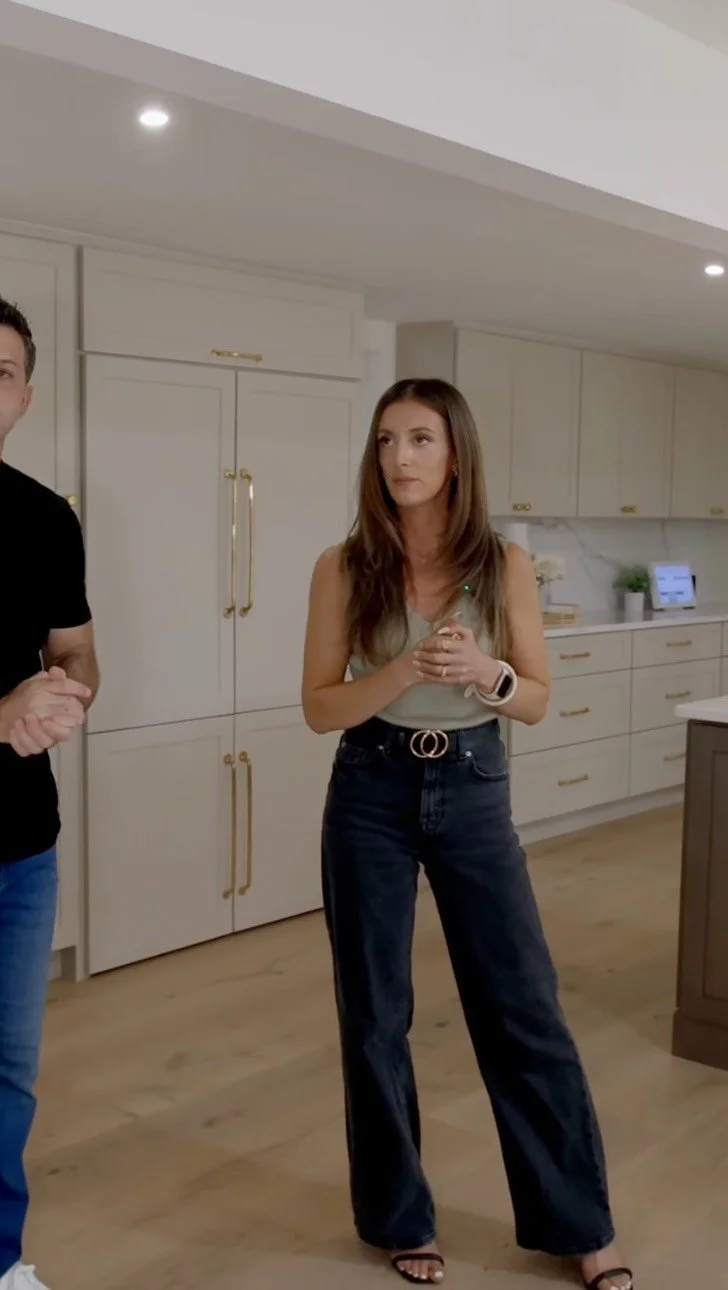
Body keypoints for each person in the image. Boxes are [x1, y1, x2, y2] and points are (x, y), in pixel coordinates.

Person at [301, 378, 633, 1289]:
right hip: (369, 786)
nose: (399, 458)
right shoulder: (344, 566)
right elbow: (320, 707)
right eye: (385, 441)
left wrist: (487, 673)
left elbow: (534, 699)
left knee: (522, 1005)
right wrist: (406, 669)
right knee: (375, 1015)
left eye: (420, 439)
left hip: (475, 785)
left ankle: (581, 1225)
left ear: (456, 455)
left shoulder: (503, 563)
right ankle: (400, 1218)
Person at [0, 297, 99, 1290]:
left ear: (25, 396)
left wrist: (65, 696)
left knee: (8, 1072)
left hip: (22, 847)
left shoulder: (44, 519)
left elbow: (74, 649)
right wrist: (0, 714)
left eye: (1, 371)